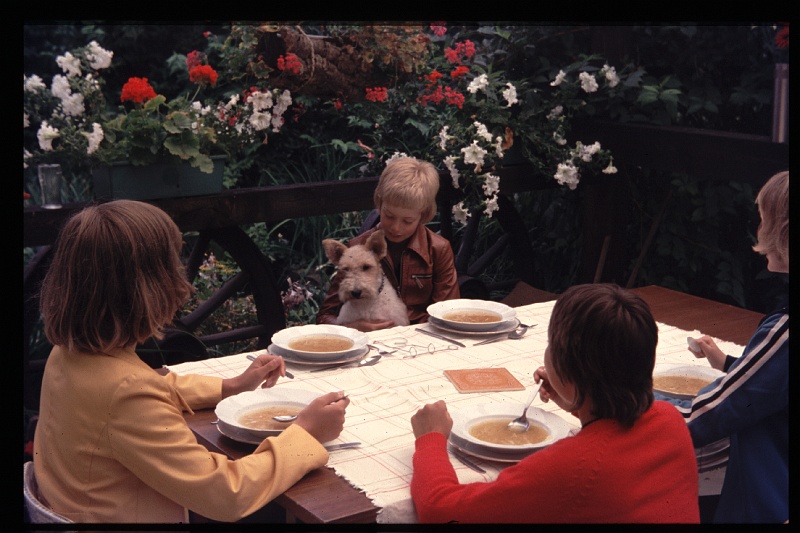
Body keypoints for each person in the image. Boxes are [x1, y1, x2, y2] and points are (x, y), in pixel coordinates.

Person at [33, 200, 350, 523]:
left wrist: (231, 386)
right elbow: (227, 494)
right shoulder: (127, 394)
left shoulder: (66, 354)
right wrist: (306, 433)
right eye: (173, 266)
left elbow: (148, 387)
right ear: (149, 288)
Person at [409, 283, 700, 523]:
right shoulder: (669, 419)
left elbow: (440, 512)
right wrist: (575, 399)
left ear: (569, 371)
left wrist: (430, 438)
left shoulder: (571, 466)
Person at [657, 170, 788, 523]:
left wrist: (626, 408)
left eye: (764, 221)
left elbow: (717, 410)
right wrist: (729, 363)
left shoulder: (786, 331)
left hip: (767, 503)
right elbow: (773, 384)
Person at [317, 156, 460, 331]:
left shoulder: (438, 249)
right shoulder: (358, 248)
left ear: (423, 215)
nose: (396, 228)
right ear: (379, 202)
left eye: (407, 220)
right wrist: (352, 327)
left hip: (422, 339)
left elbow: (449, 313)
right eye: (389, 215)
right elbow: (325, 316)